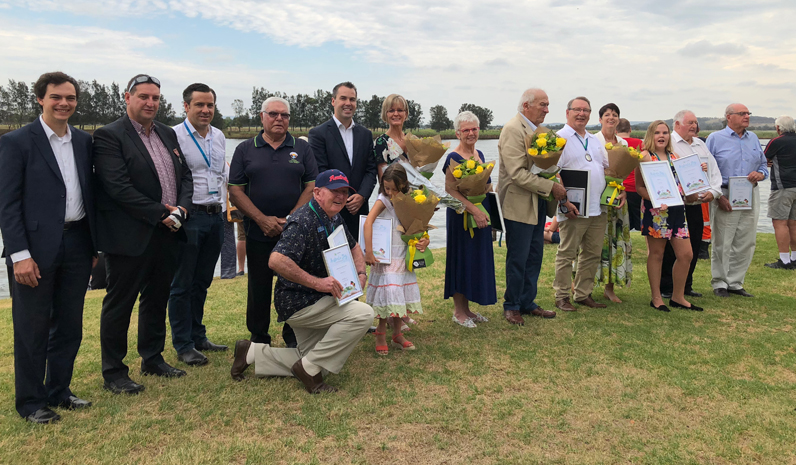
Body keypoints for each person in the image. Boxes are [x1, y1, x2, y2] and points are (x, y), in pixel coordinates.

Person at [0, 72, 96, 423]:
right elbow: (7, 205)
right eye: (56, 97)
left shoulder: (85, 142)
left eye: (70, 97)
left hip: (77, 243)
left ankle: (60, 390)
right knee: (32, 327)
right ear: (40, 99)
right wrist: (19, 255)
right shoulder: (17, 142)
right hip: (34, 250)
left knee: (69, 324)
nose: (64, 103)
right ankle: (30, 402)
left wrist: (94, 246)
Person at [230, 170, 374, 393]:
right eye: (335, 191)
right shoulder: (302, 221)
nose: (341, 196)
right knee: (363, 314)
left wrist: (361, 274)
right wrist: (319, 283)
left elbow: (354, 246)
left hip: (318, 299)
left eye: (345, 192)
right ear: (316, 192)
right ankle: (308, 369)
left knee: (316, 360)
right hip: (299, 302)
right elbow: (276, 261)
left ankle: (251, 353)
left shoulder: (335, 216)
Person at [94, 74, 194, 394]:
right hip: (129, 235)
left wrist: (181, 208)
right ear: (127, 97)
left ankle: (152, 357)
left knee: (157, 297)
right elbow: (117, 187)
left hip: (168, 233)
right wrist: (162, 213)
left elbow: (186, 177)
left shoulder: (167, 133)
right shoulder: (109, 136)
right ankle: (114, 372)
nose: (151, 103)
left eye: (155, 98)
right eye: (144, 97)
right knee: (120, 304)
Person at [229, 96, 317, 348]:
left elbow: (312, 186)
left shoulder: (302, 148)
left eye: (285, 115)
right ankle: (259, 338)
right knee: (259, 285)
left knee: (296, 284)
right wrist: (261, 219)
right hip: (258, 231)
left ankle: (294, 334)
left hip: (296, 232)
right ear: (262, 117)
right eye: (274, 114)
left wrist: (291, 220)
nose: (279, 119)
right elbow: (235, 191)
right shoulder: (245, 149)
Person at [167, 83, 229, 368]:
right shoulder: (173, 136)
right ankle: (183, 343)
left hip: (217, 216)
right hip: (189, 217)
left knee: (202, 280)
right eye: (199, 105)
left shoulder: (218, 136)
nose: (205, 110)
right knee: (182, 283)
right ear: (186, 106)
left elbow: (222, 175)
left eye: (210, 105)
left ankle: (198, 335)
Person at [497, 88, 563, 325]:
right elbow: (516, 174)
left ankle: (527, 301)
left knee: (534, 256)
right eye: (543, 105)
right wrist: (551, 188)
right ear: (526, 106)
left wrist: (553, 179)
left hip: (536, 203)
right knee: (518, 257)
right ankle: (512, 305)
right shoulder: (513, 129)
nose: (547, 109)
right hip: (517, 203)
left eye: (547, 105)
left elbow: (543, 166)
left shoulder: (540, 131)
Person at [554, 97, 622, 312]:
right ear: (568, 113)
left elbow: (606, 168)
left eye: (586, 110)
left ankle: (583, 294)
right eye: (577, 110)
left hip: (597, 206)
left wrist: (617, 190)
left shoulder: (593, 139)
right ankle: (562, 296)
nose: (582, 113)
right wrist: (564, 202)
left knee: (592, 253)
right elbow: (552, 173)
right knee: (567, 253)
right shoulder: (559, 138)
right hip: (573, 207)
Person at [635, 120, 702, 312]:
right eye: (657, 133)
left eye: (665, 132)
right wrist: (655, 199)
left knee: (686, 254)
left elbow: (686, 184)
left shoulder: (676, 156)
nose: (661, 136)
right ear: (650, 135)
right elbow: (639, 187)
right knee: (657, 255)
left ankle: (678, 296)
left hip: (677, 210)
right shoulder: (644, 157)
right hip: (656, 212)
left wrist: (697, 180)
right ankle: (656, 298)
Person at [706, 104, 768, 297]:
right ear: (729, 117)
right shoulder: (715, 139)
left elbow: (764, 165)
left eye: (748, 113)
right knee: (723, 240)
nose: (747, 116)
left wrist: (760, 174)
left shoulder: (754, 138)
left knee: (746, 239)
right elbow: (706, 170)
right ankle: (720, 282)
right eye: (742, 113)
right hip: (724, 193)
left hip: (750, 192)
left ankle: (735, 282)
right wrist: (719, 196)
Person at [364, 164, 427, 352]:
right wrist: (368, 251)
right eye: (387, 188)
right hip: (386, 256)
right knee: (388, 294)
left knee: (399, 295)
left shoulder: (410, 200)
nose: (390, 192)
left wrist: (423, 240)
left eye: (393, 188)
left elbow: (418, 227)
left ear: (404, 185)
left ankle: (397, 334)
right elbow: (368, 222)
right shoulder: (383, 199)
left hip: (403, 255)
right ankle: (381, 334)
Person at [659, 111, 722, 297]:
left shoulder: (700, 144)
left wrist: (714, 192)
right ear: (677, 124)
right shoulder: (668, 143)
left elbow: (714, 171)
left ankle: (686, 285)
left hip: (697, 205)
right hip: (677, 204)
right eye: (690, 122)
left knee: (693, 245)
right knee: (672, 249)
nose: (694, 126)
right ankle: (667, 287)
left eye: (695, 122)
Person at [442, 111, 496, 327]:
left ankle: (468, 309)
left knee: (474, 261)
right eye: (466, 130)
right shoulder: (453, 158)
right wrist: (474, 210)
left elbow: (483, 185)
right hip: (461, 217)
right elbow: (450, 191)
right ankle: (458, 311)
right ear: (458, 133)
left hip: (481, 214)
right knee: (461, 260)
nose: (471, 133)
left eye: (474, 129)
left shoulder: (480, 154)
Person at [309, 82, 378, 235]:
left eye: (352, 99)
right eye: (343, 98)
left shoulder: (365, 134)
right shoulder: (318, 134)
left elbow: (370, 170)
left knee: (359, 257)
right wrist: (340, 197)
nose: (348, 103)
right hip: (330, 211)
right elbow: (320, 172)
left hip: (359, 210)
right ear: (333, 101)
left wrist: (362, 195)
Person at [593, 103, 632, 303]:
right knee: (593, 242)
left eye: (615, 115)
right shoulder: (593, 141)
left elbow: (623, 173)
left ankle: (610, 287)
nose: (611, 117)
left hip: (617, 200)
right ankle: (583, 285)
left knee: (615, 242)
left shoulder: (623, 145)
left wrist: (623, 191)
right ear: (600, 119)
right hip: (597, 199)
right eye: (607, 114)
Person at [763, 115, 796, 269]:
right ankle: (794, 257)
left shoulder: (776, 141)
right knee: (793, 223)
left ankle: (784, 259)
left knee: (780, 222)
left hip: (782, 186)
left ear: (778, 128)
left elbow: (763, 159)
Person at [616, 118, 643, 231]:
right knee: (638, 222)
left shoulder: (615, 143)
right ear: (630, 129)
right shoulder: (640, 143)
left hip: (620, 188)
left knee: (623, 222)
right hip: (637, 188)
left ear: (615, 131)